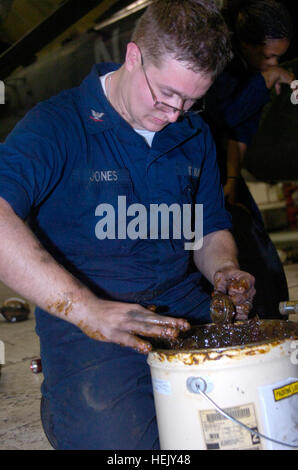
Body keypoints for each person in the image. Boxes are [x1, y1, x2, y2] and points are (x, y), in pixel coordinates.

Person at [0, 0, 255, 450]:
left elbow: (208, 228)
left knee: (259, 417)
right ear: (133, 57)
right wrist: (84, 309)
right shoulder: (55, 126)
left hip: (182, 314)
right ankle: (63, 399)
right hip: (93, 325)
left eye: (192, 101)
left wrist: (224, 270)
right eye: (165, 95)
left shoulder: (193, 135)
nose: (175, 113)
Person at [203, 0, 295, 318]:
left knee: (263, 260)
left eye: (277, 58)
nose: (271, 63)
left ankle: (270, 319)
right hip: (203, 173)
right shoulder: (221, 66)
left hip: (226, 175)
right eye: (267, 55)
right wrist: (266, 79)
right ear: (245, 44)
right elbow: (220, 119)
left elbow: (239, 137)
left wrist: (232, 182)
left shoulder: (251, 74)